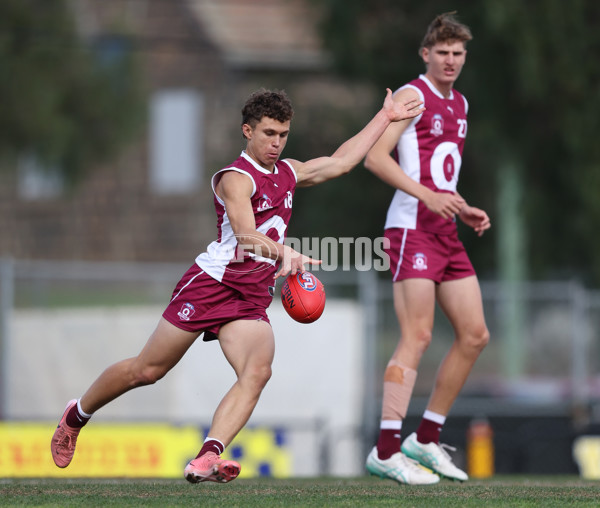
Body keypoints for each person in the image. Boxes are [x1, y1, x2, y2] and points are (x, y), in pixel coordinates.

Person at [51, 87, 424, 483]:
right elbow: (246, 236)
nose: (276, 143)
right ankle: (77, 415)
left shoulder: (288, 172)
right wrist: (285, 253)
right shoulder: (235, 178)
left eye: (282, 134)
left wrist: (386, 116)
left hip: (250, 297)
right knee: (146, 370)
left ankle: (207, 457)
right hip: (211, 284)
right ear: (247, 131)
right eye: (268, 133)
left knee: (257, 371)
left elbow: (340, 162)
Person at [364, 12, 491, 485]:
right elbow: (376, 157)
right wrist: (428, 197)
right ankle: (385, 449)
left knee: (475, 334)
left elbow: (440, 173)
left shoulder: (459, 103)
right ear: (426, 54)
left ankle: (426, 438)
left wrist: (462, 207)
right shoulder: (412, 95)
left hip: (444, 230)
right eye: (443, 52)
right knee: (416, 335)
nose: (452, 60)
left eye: (459, 53)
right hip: (410, 229)